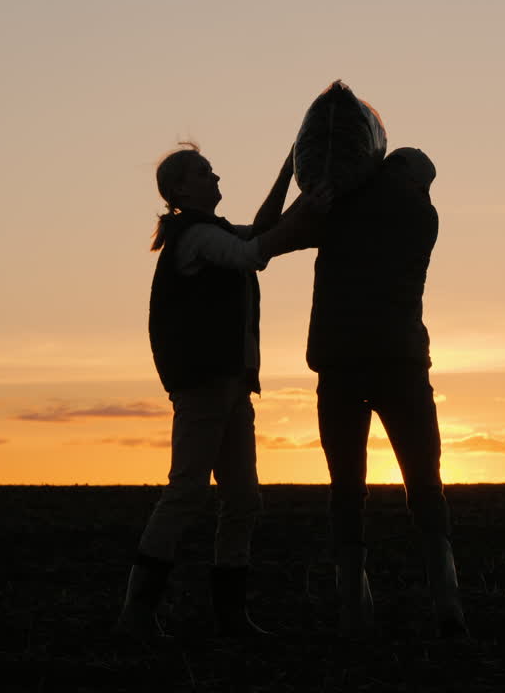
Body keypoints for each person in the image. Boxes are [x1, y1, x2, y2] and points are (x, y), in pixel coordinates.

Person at [115, 142, 327, 639]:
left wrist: (289, 177)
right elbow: (256, 251)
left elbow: (263, 233)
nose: (215, 178)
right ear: (182, 189)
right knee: (187, 493)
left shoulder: (207, 233)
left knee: (243, 499)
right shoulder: (197, 238)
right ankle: (136, 615)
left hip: (231, 386)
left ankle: (228, 617)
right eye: (205, 172)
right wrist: (306, 209)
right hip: (206, 387)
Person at [305, 144, 466, 637]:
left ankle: (354, 604)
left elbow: (280, 235)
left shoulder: (341, 202)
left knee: (346, 485)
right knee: (424, 482)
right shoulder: (423, 214)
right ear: (417, 182)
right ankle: (447, 603)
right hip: (402, 362)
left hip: (339, 363)